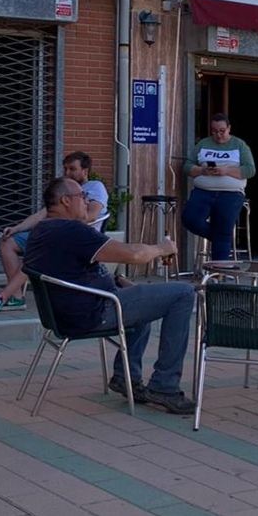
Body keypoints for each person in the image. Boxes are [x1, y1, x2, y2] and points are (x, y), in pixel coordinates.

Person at [23, 177, 197, 414]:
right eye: (83, 197)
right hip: (94, 313)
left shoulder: (42, 230)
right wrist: (162, 249)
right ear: (65, 201)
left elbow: (73, 271)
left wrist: (119, 282)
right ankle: (164, 387)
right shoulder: (72, 231)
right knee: (184, 293)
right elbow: (133, 255)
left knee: (140, 297)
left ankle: (126, 378)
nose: (88, 202)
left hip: (68, 314)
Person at [0, 151, 110, 316]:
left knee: (41, 248)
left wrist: (60, 225)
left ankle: (3, 296)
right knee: (8, 241)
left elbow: (91, 215)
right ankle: (16, 296)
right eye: (66, 169)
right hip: (54, 233)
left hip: (76, 238)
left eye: (72, 169)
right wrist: (17, 228)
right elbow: (41, 214)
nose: (68, 173)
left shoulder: (95, 187)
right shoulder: (64, 189)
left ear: (85, 171)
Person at [181, 113, 255, 261]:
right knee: (190, 219)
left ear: (229, 128)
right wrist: (202, 170)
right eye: (214, 131)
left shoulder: (239, 145)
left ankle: (219, 273)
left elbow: (250, 170)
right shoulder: (203, 144)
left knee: (224, 227)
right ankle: (220, 238)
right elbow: (187, 166)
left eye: (222, 131)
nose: (218, 135)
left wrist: (226, 171)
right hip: (203, 191)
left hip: (231, 193)